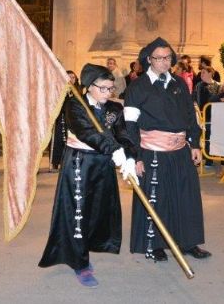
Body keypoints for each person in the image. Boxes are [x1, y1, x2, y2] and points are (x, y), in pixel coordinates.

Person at [39, 64, 137, 287]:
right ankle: (80, 263)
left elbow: (123, 134)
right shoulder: (75, 105)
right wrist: (114, 150)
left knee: (99, 211)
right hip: (80, 164)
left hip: (104, 165)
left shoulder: (114, 108)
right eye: (102, 88)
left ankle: (86, 250)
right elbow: (88, 133)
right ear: (89, 87)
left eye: (110, 89)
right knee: (78, 214)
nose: (107, 93)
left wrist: (129, 156)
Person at [125, 37, 210, 262]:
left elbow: (191, 116)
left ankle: (188, 242)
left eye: (168, 57)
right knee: (158, 199)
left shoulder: (180, 83)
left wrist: (194, 143)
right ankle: (157, 245)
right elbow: (130, 125)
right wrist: (135, 157)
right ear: (148, 60)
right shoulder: (137, 87)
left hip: (181, 151)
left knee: (186, 197)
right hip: (152, 152)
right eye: (159, 58)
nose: (164, 62)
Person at [49, 70, 78, 171]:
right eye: (69, 77)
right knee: (58, 140)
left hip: (73, 120)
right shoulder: (59, 90)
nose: (71, 79)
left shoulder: (78, 90)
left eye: (73, 77)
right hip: (60, 119)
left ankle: (68, 162)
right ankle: (56, 162)